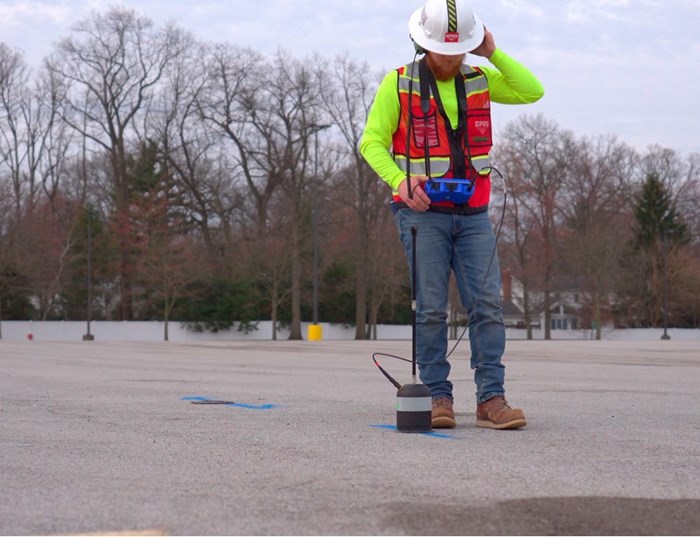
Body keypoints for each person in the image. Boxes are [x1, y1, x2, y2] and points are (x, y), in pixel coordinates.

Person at [360, 0, 544, 429]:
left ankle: (491, 400)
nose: (450, 57)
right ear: (421, 44)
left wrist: (492, 52)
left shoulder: (479, 77)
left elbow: (531, 90)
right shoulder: (399, 84)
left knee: (488, 306)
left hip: (474, 213)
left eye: (459, 49)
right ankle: (438, 398)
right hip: (422, 214)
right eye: (443, 51)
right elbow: (371, 142)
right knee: (429, 309)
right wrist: (400, 182)